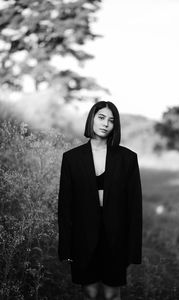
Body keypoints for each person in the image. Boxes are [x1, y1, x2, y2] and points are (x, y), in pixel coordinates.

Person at [58, 101, 142, 300]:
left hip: (116, 236)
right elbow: (65, 206)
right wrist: (66, 245)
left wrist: (133, 249)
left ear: (115, 126)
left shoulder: (128, 158)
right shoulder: (71, 158)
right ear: (92, 119)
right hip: (83, 236)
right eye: (101, 117)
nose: (106, 124)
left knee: (113, 293)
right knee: (90, 292)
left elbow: (135, 208)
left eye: (111, 120)